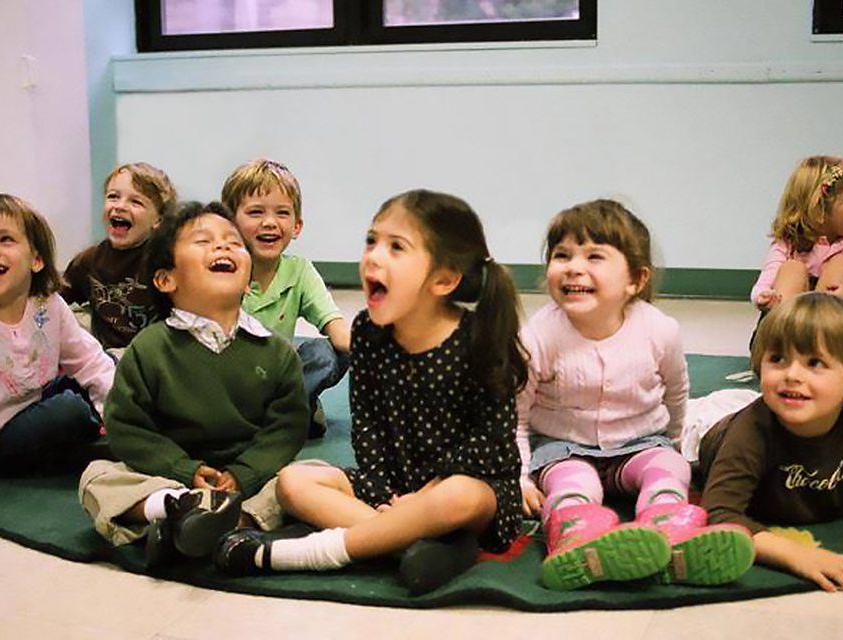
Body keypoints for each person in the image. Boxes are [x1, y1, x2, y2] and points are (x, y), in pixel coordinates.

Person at [214, 189, 528, 595]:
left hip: (464, 492)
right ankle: (412, 546)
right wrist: (390, 494)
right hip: (390, 488)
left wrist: (424, 498)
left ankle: (311, 551)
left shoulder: (479, 339)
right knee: (292, 482)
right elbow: (367, 427)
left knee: (460, 495)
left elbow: (490, 446)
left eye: (396, 247)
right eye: (371, 241)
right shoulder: (367, 331)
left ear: (444, 279)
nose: (374, 256)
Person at [517, 199, 753, 590]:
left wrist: (673, 442)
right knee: (573, 484)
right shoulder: (538, 336)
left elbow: (676, 392)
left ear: (636, 280)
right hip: (564, 448)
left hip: (639, 442)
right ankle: (577, 537)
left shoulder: (659, 330)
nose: (573, 266)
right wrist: (521, 477)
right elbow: (516, 411)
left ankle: (668, 529)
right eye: (562, 255)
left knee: (670, 468)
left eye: (594, 256)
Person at [77, 201, 309, 568]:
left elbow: (287, 428)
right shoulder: (149, 348)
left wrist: (245, 473)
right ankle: (181, 511)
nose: (223, 246)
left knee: (302, 480)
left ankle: (215, 523)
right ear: (166, 280)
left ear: (249, 280)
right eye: (203, 241)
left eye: (234, 242)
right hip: (169, 477)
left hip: (248, 479)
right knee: (96, 477)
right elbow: (128, 428)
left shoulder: (276, 351)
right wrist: (183, 470)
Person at [699, 293, 843, 592]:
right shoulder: (750, 431)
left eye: (814, 362)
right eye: (777, 359)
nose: (791, 374)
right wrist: (798, 556)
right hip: (708, 432)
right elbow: (719, 513)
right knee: (694, 423)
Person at [0, 194, 114, 515]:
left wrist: (118, 415)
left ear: (36, 260)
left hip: (32, 401)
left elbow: (88, 359)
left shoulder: (49, 304)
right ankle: (84, 428)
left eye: (5, 239)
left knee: (110, 367)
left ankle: (101, 423)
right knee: (69, 411)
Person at [222, 158, 349, 437]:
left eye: (282, 213)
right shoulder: (221, 268)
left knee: (326, 355)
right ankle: (290, 416)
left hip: (279, 379)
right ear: (229, 222)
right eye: (256, 212)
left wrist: (381, 353)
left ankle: (284, 413)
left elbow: (338, 331)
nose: (270, 222)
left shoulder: (299, 270)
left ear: (297, 226)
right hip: (230, 380)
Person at [62, 162, 177, 356]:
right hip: (104, 356)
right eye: (113, 196)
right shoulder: (89, 260)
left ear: (158, 220)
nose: (120, 206)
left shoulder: (165, 262)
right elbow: (55, 299)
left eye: (136, 202)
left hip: (151, 355)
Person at [751, 155, 843, 311]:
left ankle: (824, 320)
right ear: (819, 210)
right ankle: (787, 322)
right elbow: (763, 285)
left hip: (836, 320)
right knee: (792, 269)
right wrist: (764, 297)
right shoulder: (789, 240)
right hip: (792, 317)